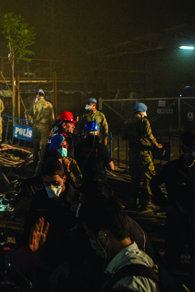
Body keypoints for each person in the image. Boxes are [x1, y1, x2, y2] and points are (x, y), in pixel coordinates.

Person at [79, 195, 159, 292]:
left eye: (89, 235)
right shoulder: (141, 260)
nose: (90, 240)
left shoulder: (129, 282)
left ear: (103, 235)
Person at [24, 158, 80, 282]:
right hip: (44, 259)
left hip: (68, 263)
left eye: (55, 183)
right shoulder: (39, 198)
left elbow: (82, 236)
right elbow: (29, 225)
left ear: (64, 179)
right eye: (46, 184)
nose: (51, 187)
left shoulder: (76, 200)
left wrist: (71, 262)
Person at [150, 130, 194, 269]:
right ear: (186, 148)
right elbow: (154, 183)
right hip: (176, 222)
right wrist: (165, 205)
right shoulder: (172, 168)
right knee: (171, 260)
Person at [121, 102, 162, 211]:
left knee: (135, 178)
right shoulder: (144, 121)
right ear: (142, 111)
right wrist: (156, 144)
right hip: (144, 153)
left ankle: (133, 201)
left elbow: (123, 136)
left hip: (132, 153)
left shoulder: (127, 122)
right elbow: (149, 134)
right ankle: (145, 203)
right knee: (148, 177)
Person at [28, 89, 55, 169]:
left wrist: (33, 123)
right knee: (43, 146)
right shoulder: (49, 105)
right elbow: (52, 119)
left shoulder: (34, 104)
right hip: (45, 127)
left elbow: (28, 115)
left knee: (35, 146)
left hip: (36, 127)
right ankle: (42, 164)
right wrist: (49, 128)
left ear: (38, 95)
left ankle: (35, 164)